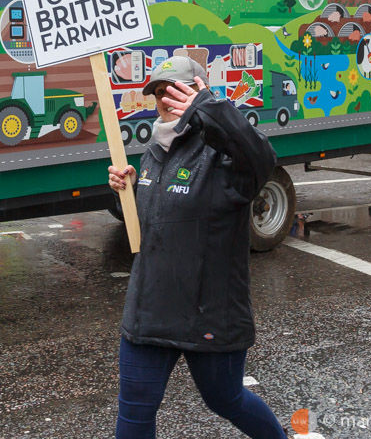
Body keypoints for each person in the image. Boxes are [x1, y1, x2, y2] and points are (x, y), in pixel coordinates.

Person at [106, 56, 287, 439]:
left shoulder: (224, 152)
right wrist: (134, 187)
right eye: (158, 91)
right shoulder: (154, 150)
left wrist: (210, 109)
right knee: (135, 410)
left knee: (226, 400)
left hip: (209, 313)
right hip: (150, 310)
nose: (166, 98)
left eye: (176, 89)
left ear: (200, 90)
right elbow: (162, 220)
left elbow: (262, 158)